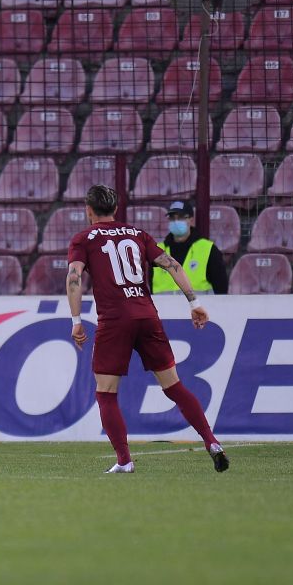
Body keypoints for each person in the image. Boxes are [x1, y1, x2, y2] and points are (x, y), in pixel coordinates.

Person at [67, 185, 228, 474]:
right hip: (146, 316)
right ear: (116, 209)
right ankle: (212, 441)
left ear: (88, 210)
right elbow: (172, 264)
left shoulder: (84, 239)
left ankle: (124, 460)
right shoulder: (137, 234)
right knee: (174, 386)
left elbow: (74, 276)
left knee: (106, 393)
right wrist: (194, 302)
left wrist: (76, 320)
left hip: (115, 320)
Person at [150, 199, 228, 295]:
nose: (176, 221)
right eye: (172, 218)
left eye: (181, 218)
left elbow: (221, 290)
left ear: (191, 220)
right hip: (165, 310)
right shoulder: (157, 252)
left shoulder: (208, 250)